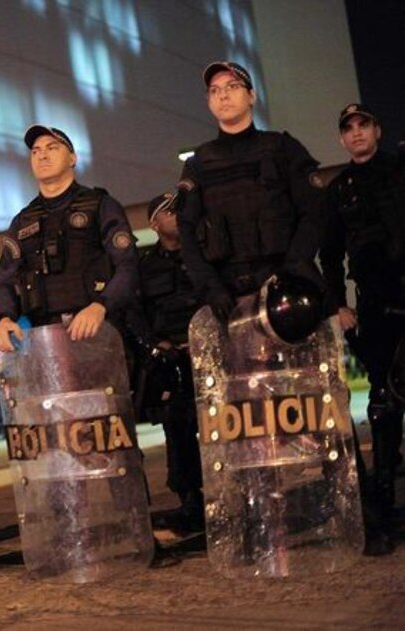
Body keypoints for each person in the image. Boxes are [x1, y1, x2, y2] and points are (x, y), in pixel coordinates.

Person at [176, 61, 327, 317]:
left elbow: (313, 213)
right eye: (214, 90)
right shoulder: (198, 163)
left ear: (252, 96)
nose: (223, 95)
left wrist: (293, 268)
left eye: (232, 86)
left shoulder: (282, 148)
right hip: (230, 299)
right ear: (209, 102)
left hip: (290, 289)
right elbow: (187, 232)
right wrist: (211, 288)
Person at [320, 103, 404, 555]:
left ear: (377, 129)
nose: (356, 134)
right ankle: (385, 504)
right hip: (375, 300)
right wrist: (337, 305)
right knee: (383, 400)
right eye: (347, 129)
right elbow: (329, 255)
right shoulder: (338, 190)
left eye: (363, 126)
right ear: (342, 139)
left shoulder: (399, 170)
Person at [0, 124, 139, 352]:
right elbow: (6, 281)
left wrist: (101, 306)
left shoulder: (101, 206)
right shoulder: (22, 221)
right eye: (35, 151)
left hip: (102, 333)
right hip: (47, 343)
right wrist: (4, 319)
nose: (42, 155)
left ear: (73, 158)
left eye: (52, 147)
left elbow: (128, 266)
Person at [127, 193, 204, 532]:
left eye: (179, 210)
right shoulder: (145, 268)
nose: (177, 216)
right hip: (172, 360)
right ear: (154, 224)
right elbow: (134, 313)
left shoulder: (205, 254)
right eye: (168, 212)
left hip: (209, 353)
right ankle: (190, 500)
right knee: (178, 429)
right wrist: (154, 346)